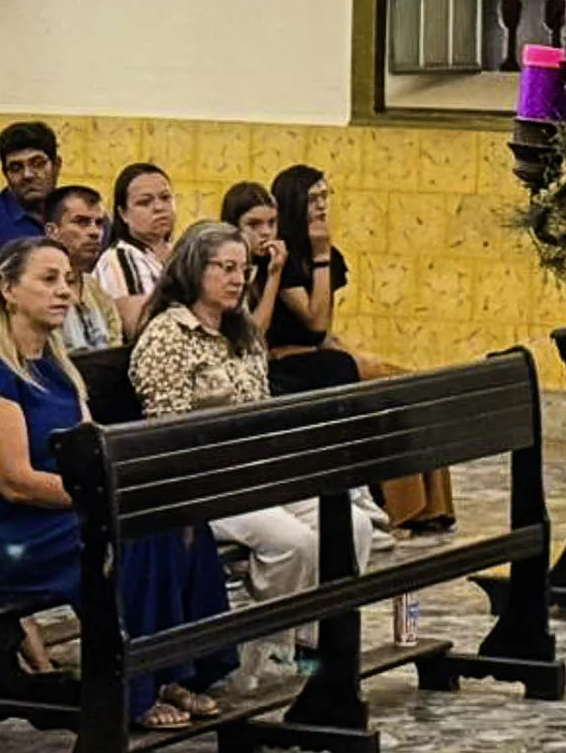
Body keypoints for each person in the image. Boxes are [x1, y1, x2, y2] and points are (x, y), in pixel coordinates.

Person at [0, 239, 232, 725]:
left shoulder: (55, 367)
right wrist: (105, 502)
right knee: (127, 534)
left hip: (59, 517)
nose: (64, 292)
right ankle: (130, 690)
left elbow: (90, 453)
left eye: (69, 281)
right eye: (48, 280)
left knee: (176, 519)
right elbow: (17, 484)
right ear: (9, 290)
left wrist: (125, 493)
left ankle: (176, 670)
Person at [130, 222, 371, 682]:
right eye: (225, 268)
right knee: (293, 543)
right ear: (194, 271)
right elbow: (167, 434)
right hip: (202, 483)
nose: (239, 279)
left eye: (243, 269)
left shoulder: (243, 334)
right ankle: (262, 659)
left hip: (256, 473)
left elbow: (261, 411)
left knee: (352, 526)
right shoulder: (167, 336)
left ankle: (314, 650)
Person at [268, 166, 453, 532]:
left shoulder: (327, 254)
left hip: (319, 353)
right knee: (386, 394)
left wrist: (342, 347)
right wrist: (320, 255)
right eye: (313, 199)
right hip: (286, 358)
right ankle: (403, 508)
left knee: (411, 384)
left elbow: (325, 329)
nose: (322, 206)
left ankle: (434, 505)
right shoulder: (285, 256)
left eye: (326, 197)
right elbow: (314, 319)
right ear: (294, 203)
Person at [100, 163, 178, 338]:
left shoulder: (182, 252)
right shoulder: (120, 258)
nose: (159, 207)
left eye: (165, 198)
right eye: (145, 202)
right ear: (123, 214)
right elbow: (140, 328)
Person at [42, 185, 123, 352]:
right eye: (81, 222)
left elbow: (114, 351)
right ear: (52, 232)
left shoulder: (96, 290)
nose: (95, 232)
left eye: (99, 223)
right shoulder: (36, 288)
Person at [219, 181, 287, 343]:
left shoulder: (271, 261)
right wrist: (275, 275)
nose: (266, 232)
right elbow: (252, 337)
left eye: (272, 223)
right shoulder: (222, 267)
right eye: (254, 224)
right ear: (233, 226)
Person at [0, 121, 60, 251]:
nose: (27, 175)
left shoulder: (85, 217)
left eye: (38, 164)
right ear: (5, 173)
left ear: (56, 166)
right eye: (16, 168)